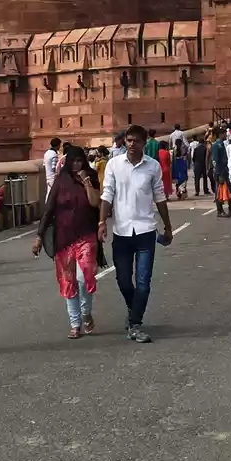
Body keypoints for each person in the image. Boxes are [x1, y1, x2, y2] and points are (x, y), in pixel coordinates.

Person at [99, 123, 172, 344]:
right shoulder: (114, 165)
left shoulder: (152, 167)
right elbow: (107, 194)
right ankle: (134, 311)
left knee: (143, 281)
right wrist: (102, 221)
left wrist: (168, 226)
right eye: (129, 140)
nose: (132, 144)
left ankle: (135, 324)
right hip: (121, 231)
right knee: (123, 281)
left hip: (145, 231)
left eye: (136, 141)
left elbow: (159, 197)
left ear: (144, 143)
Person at [33, 145, 103, 338]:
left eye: (80, 161)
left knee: (83, 277)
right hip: (64, 239)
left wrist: (87, 182)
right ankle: (75, 323)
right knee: (68, 281)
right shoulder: (60, 181)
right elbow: (49, 209)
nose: (76, 164)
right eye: (73, 161)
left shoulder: (91, 177)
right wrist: (39, 236)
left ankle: (86, 313)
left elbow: (96, 203)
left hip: (86, 235)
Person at [210, 130, 231, 217]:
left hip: (224, 171)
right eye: (224, 134)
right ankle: (220, 210)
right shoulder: (216, 145)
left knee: (230, 189)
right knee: (219, 192)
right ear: (220, 134)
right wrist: (219, 174)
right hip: (220, 172)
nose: (226, 135)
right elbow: (215, 160)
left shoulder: (222, 144)